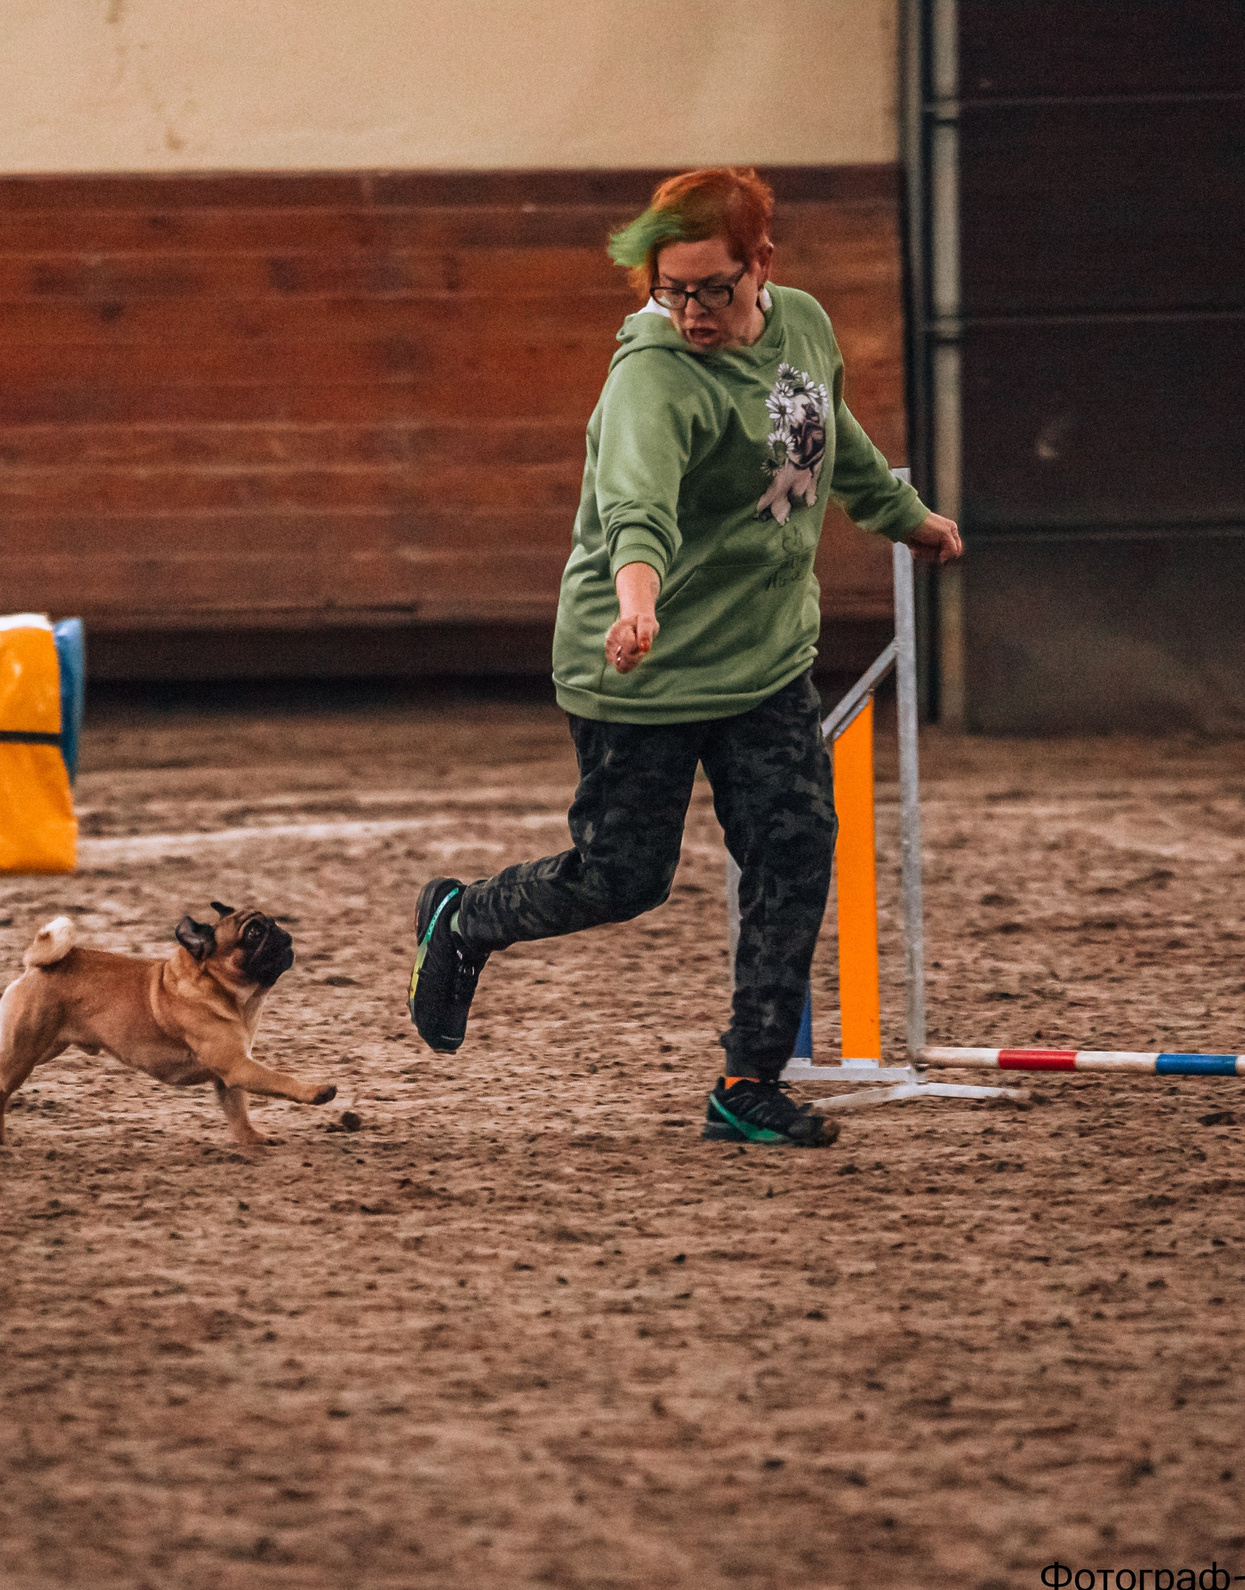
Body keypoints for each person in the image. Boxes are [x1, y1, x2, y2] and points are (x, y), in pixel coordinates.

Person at [408, 166, 963, 1147]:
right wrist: (637, 608)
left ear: (762, 265)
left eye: (713, 288)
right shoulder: (652, 380)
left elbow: (826, 432)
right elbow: (637, 511)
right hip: (641, 668)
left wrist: (902, 516)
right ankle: (465, 917)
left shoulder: (803, 325)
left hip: (764, 660)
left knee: (794, 851)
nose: (693, 312)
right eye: (671, 291)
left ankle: (747, 1082)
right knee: (623, 878)